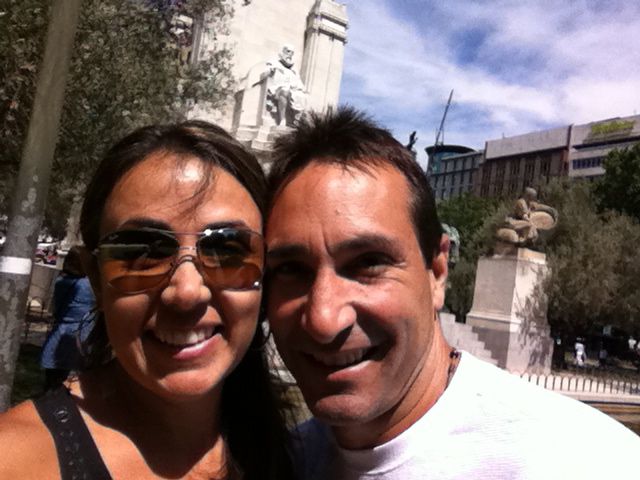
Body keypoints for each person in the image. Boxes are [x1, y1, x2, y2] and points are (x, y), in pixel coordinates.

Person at [264, 107, 640, 479]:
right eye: (290, 269)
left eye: (368, 262)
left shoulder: (590, 462)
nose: (324, 319)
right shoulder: (276, 461)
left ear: (438, 273)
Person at [0, 121, 294, 479]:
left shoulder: (304, 455)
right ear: (96, 277)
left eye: (226, 249)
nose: (186, 292)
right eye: (141, 251)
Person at [39, 246, 95, 390]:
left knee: (52, 380)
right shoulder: (88, 285)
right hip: (80, 334)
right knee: (73, 381)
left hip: (59, 331)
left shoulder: (60, 281)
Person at [263, 44, 307, 127]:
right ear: (283, 51)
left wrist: (300, 87)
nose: (290, 54)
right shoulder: (274, 63)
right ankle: (282, 119)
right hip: (277, 87)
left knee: (302, 96)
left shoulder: (293, 69)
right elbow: (265, 72)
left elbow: (298, 81)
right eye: (288, 51)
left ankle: (296, 120)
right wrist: (270, 71)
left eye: (292, 53)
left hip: (292, 88)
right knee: (285, 91)